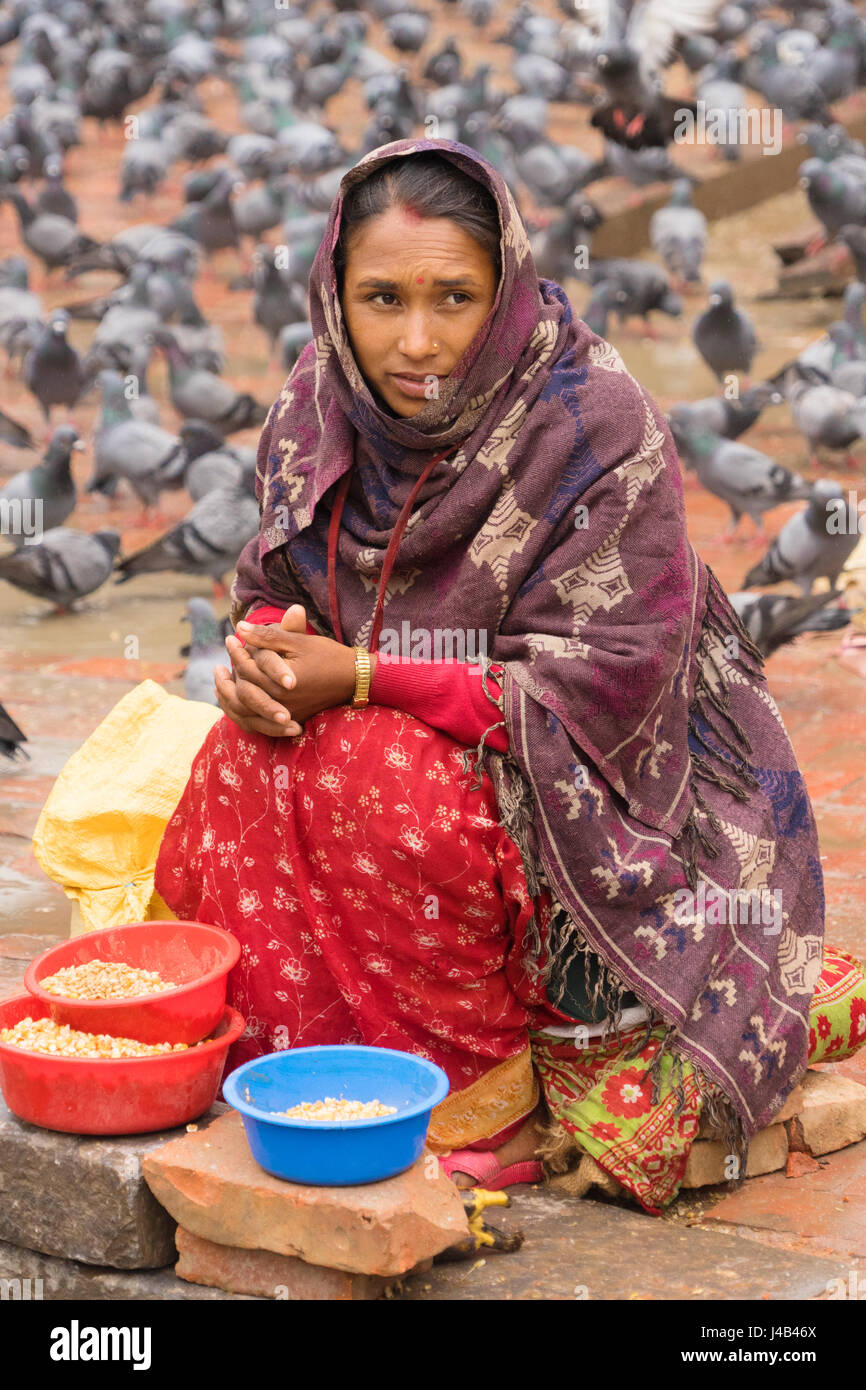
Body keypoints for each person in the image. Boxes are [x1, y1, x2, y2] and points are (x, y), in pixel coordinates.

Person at [154, 137, 864, 1212]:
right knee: (240, 759)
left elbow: (599, 690)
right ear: (332, 298)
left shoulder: (591, 424)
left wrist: (355, 676)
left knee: (376, 775)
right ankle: (303, 1058)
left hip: (605, 800)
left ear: (510, 290)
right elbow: (274, 576)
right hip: (393, 729)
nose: (418, 341)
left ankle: (486, 1096)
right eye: (381, 298)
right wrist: (257, 659)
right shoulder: (319, 397)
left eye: (454, 297)